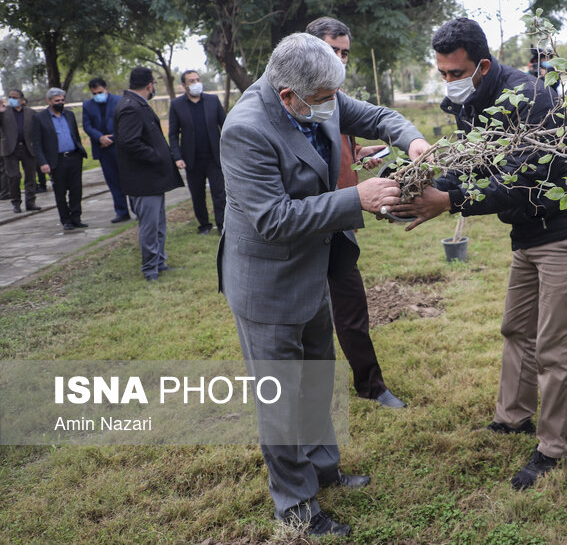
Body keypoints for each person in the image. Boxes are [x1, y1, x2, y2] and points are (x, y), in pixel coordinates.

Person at [218, 32, 430, 537]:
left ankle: (324, 469)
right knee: (280, 400)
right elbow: (272, 218)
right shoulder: (246, 130)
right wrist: (357, 197)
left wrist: (414, 140)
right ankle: (296, 505)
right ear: (288, 95)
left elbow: (378, 117)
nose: (333, 106)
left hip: (313, 269)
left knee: (316, 378)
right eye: (323, 99)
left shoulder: (319, 95)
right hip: (267, 283)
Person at [394, 18, 567, 491]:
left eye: (456, 72)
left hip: (565, 231)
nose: (449, 82)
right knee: (515, 328)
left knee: (553, 346)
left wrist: (448, 202)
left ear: (483, 65)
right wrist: (419, 187)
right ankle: (513, 417)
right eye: (442, 73)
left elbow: (519, 180)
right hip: (528, 234)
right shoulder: (470, 104)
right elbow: (469, 167)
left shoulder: (531, 98)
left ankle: (554, 447)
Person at [305, 15, 407, 409]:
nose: (341, 60)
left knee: (351, 310)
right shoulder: (283, 103)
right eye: (333, 51)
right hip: (299, 228)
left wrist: (356, 152)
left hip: (339, 225)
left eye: (345, 53)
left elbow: (358, 128)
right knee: (305, 322)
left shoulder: (335, 99)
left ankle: (372, 386)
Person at [115, 67, 184, 282]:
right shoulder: (131, 108)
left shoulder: (136, 104)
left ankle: (159, 263)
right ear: (149, 85)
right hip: (143, 181)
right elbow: (129, 141)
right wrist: (155, 155)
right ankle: (150, 269)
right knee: (149, 227)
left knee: (158, 225)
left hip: (153, 180)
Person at [169, 70, 227, 235]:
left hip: (214, 158)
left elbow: (226, 125)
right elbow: (173, 134)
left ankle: (222, 225)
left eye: (197, 79)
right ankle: (204, 225)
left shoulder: (212, 101)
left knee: (219, 193)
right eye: (191, 81)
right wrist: (177, 157)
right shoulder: (177, 105)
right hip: (192, 160)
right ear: (184, 85)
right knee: (197, 195)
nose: (196, 83)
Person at [31, 88, 89, 230]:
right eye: (57, 101)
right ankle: (66, 220)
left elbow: (75, 134)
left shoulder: (69, 115)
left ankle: (76, 217)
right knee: (60, 191)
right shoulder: (40, 118)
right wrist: (43, 162)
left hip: (74, 157)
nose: (60, 103)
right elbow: (37, 143)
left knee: (76, 190)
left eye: (62, 100)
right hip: (56, 160)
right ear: (49, 101)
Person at [81, 77, 130, 223]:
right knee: (113, 181)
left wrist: (112, 138)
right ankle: (122, 211)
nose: (97, 95)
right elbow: (87, 126)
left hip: (120, 147)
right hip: (102, 149)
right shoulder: (87, 106)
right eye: (94, 93)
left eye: (100, 92)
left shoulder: (119, 101)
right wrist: (100, 138)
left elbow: (125, 123)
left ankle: (137, 209)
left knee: (128, 178)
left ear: (106, 89)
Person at [0, 89, 40, 213]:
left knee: (31, 176)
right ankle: (16, 203)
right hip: (11, 148)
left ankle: (30, 201)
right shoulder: (4, 113)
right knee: (14, 177)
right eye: (10, 97)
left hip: (28, 147)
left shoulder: (31, 113)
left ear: (22, 100)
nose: (12, 99)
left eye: (15, 97)